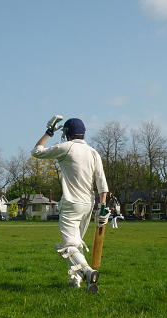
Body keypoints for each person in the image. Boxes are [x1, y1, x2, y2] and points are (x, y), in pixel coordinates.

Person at [31, 116, 109, 294]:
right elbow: (102, 183)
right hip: (88, 204)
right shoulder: (93, 152)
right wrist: (103, 207)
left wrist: (48, 132)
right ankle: (75, 282)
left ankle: (88, 273)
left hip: (71, 203)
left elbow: (36, 151)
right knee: (77, 245)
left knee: (68, 247)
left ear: (66, 133)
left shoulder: (66, 147)